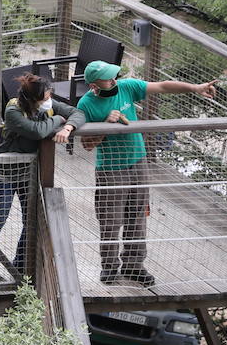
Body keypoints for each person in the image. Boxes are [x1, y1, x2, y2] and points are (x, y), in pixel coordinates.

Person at [77, 60, 216, 287]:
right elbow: (87, 145)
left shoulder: (127, 87)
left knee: (138, 216)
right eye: (107, 79)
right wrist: (105, 124)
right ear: (94, 84)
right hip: (111, 169)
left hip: (138, 161)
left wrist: (194, 88)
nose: (113, 80)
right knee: (110, 221)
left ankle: (134, 266)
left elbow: (162, 86)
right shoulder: (86, 104)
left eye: (113, 76)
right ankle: (109, 267)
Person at [0, 72, 86, 283]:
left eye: (49, 97)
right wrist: (57, 118)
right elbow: (37, 131)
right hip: (5, 175)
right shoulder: (13, 111)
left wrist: (68, 127)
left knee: (31, 222)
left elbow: (78, 112)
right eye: (46, 98)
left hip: (28, 174)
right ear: (33, 100)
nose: (50, 101)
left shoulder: (47, 103)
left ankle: (20, 266)